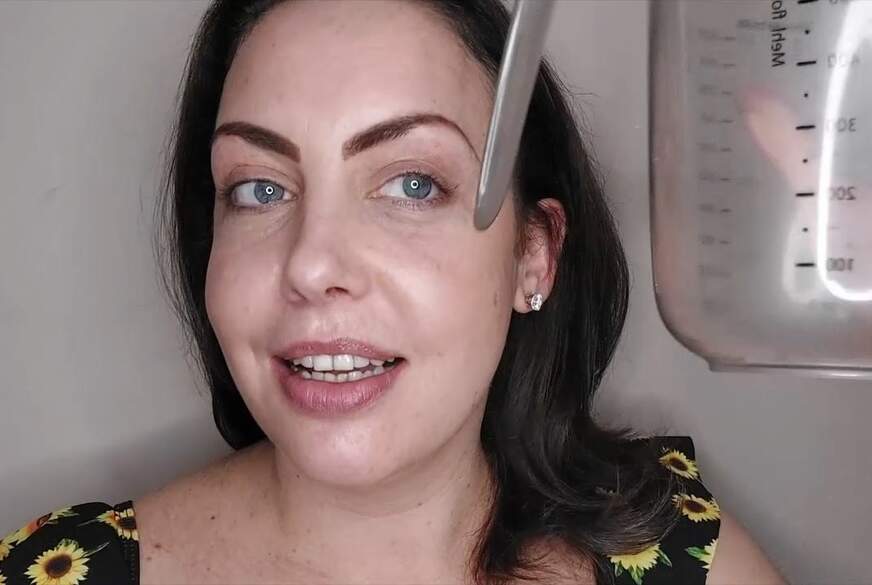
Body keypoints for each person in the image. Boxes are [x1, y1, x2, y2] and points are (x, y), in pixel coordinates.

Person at [0, 1, 787, 583]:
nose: (311, 264)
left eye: (413, 183)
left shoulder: (686, 557)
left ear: (533, 255)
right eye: (258, 189)